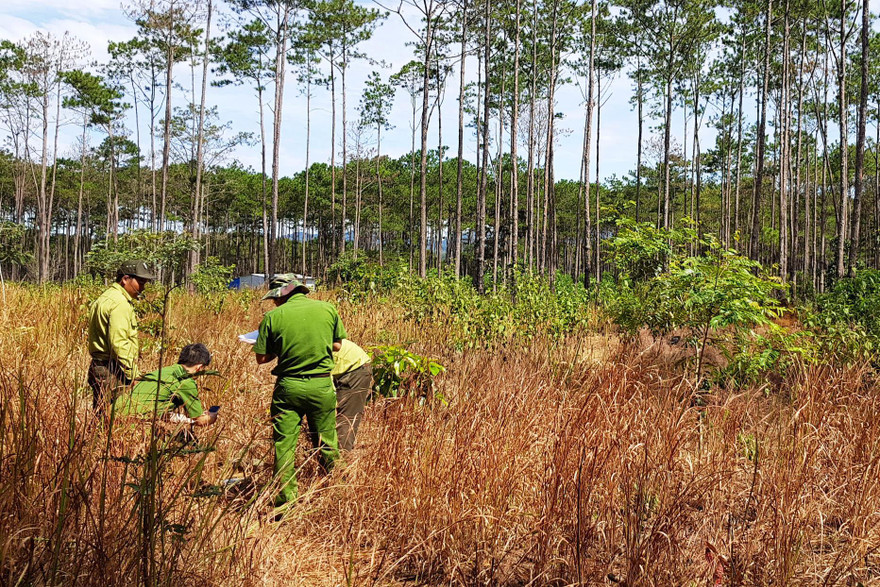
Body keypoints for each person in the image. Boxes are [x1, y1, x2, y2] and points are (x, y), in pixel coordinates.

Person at [253, 274, 347, 508]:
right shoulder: (327, 309)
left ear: (280, 296)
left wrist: (283, 347)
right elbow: (337, 345)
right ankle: (336, 492)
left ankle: (286, 502)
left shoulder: (273, 317)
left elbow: (261, 358)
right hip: (321, 384)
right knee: (327, 439)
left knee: (284, 444)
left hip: (289, 386)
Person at [87, 259, 156, 413]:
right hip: (113, 370)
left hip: (101, 367)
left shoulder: (106, 297)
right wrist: (133, 375)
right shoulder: (120, 303)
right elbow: (119, 343)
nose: (143, 288)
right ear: (125, 279)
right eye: (141, 282)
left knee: (101, 414)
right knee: (115, 418)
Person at [113, 343, 218, 429]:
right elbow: (200, 421)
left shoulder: (163, 371)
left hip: (111, 417)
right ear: (199, 368)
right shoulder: (186, 381)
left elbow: (153, 404)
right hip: (133, 426)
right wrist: (212, 416)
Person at [308, 339, 373, 452]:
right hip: (339, 369)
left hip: (356, 368)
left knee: (346, 419)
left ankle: (341, 464)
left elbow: (326, 388)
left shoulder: (312, 351)